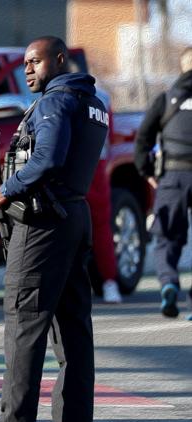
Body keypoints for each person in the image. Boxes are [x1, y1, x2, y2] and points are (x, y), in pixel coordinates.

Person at [0, 36, 109, 422]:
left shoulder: (55, 101)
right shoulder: (93, 104)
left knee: (24, 327)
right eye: (24, 63)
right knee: (73, 328)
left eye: (35, 62)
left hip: (42, 225)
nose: (27, 70)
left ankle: (15, 418)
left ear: (58, 60)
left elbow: (48, 158)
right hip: (74, 216)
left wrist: (6, 189)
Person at [134, 46, 192, 319]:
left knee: (166, 237)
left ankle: (169, 282)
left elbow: (143, 138)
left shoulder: (166, 99)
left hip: (172, 176)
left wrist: (147, 172)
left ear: (182, 67)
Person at [87, 146, 123, 304]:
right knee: (101, 227)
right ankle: (109, 281)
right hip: (94, 158)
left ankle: (109, 280)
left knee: (100, 226)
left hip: (86, 159)